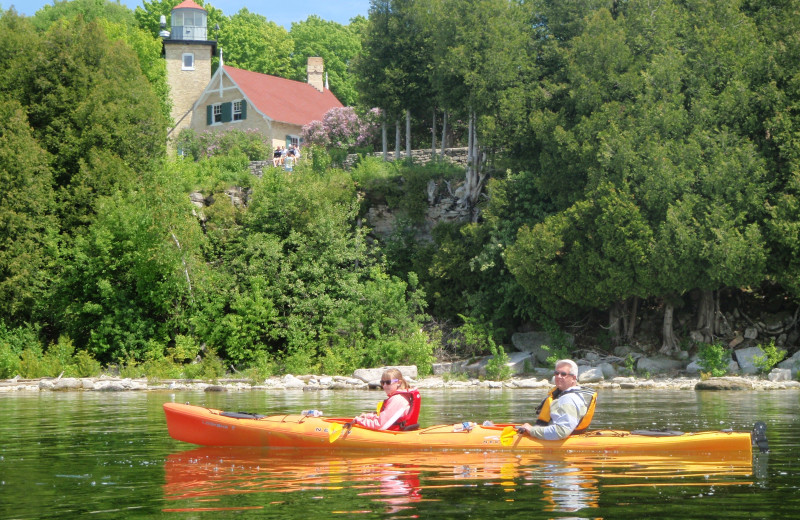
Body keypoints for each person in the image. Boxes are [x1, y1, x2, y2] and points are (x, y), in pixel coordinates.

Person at [518, 359, 597, 440]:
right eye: (556, 373)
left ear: (573, 378)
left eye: (563, 374)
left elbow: (561, 431)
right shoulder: (573, 394)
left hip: (559, 440)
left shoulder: (569, 398)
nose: (559, 376)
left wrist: (532, 430)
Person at [353, 368, 421, 431]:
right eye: (382, 383)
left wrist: (358, 421)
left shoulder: (397, 399)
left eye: (388, 382)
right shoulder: (402, 396)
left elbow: (379, 425)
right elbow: (385, 417)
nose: (384, 386)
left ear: (398, 383)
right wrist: (368, 416)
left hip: (397, 435)